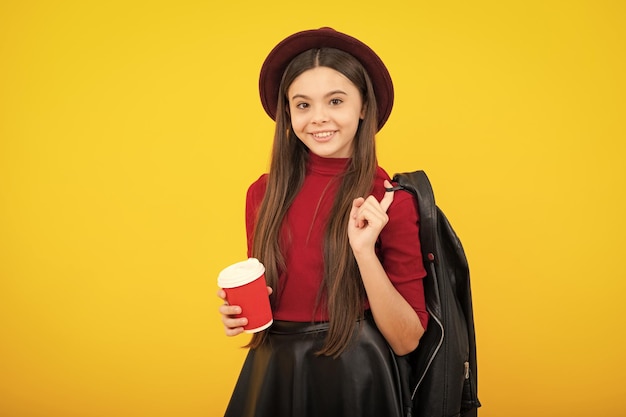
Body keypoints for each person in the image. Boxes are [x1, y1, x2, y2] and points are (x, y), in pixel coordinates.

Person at [217, 27, 429, 417]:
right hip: (275, 372)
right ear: (287, 114)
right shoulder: (262, 195)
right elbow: (269, 302)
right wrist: (243, 318)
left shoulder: (387, 199)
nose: (318, 119)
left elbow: (407, 340)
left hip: (358, 376)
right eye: (302, 105)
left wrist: (364, 253)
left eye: (335, 101)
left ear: (364, 106)